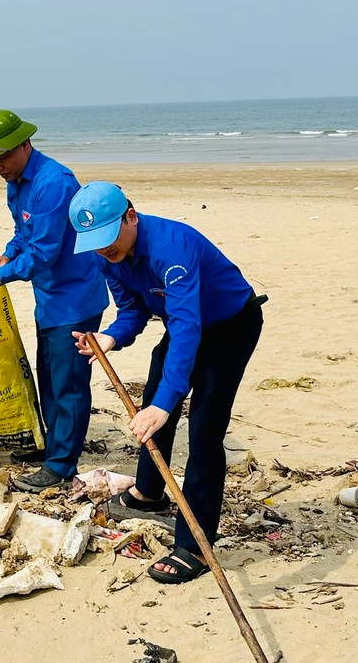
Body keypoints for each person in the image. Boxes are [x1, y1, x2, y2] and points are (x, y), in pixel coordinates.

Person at [68, 182, 265, 585]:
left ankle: (195, 546)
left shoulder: (171, 250)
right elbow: (132, 309)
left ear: (131, 216)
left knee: (204, 429)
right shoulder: (108, 255)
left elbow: (187, 328)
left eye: (108, 237)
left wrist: (163, 403)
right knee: (159, 400)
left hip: (229, 326)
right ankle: (148, 493)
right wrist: (109, 337)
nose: (104, 250)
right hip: (184, 326)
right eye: (95, 242)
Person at [0, 110, 108, 493]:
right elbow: (24, 232)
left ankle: (62, 465)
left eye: (2, 158)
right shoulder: (16, 180)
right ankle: (51, 445)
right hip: (49, 297)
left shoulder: (53, 182)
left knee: (70, 384)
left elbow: (45, 251)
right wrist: (8, 254)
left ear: (25, 145)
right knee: (48, 376)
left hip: (75, 297)